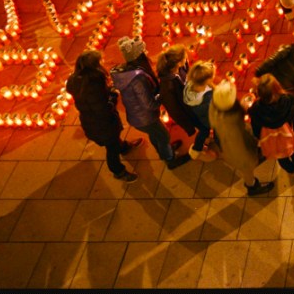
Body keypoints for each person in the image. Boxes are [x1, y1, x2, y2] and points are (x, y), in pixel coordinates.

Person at [110, 37, 191, 170]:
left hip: (137, 117)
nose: (146, 53)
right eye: (143, 52)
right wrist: (163, 94)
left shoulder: (127, 73)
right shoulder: (138, 79)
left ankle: (164, 151)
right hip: (145, 118)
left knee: (155, 135)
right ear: (138, 57)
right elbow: (150, 104)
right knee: (163, 135)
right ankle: (170, 160)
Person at [209, 79, 275, 196]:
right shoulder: (230, 123)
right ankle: (252, 186)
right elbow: (240, 143)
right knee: (247, 170)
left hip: (237, 144)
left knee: (248, 165)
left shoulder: (217, 109)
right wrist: (252, 149)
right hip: (240, 151)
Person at [156, 46, 210, 159]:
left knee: (206, 125)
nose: (187, 59)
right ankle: (197, 149)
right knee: (205, 128)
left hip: (196, 104)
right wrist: (189, 127)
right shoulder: (167, 87)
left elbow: (189, 78)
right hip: (190, 113)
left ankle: (207, 136)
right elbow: (175, 111)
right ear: (178, 62)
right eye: (185, 57)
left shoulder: (181, 68)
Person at [250, 74, 294, 175]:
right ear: (277, 88)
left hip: (272, 139)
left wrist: (259, 136)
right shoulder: (288, 101)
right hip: (289, 132)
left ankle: (290, 169)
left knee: (280, 156)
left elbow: (256, 128)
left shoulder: (256, 109)